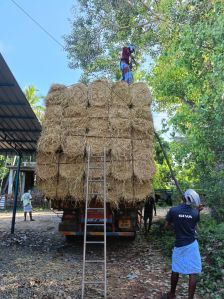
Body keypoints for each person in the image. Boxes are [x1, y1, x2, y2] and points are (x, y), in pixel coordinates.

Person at [161, 189, 204, 299]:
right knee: (193, 272)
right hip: (192, 245)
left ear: (183, 198)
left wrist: (175, 229)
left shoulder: (173, 210)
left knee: (175, 269)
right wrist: (198, 210)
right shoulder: (195, 213)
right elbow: (193, 225)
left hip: (179, 244)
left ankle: (171, 294)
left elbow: (166, 226)